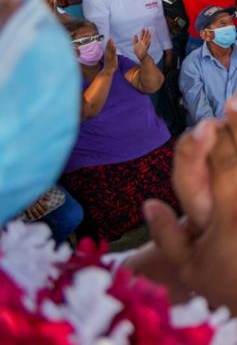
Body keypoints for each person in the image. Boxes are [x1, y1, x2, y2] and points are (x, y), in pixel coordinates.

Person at [58, 18, 175, 241]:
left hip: (153, 145)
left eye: (95, 38)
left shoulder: (116, 61)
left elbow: (151, 84)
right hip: (101, 161)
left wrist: (144, 59)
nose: (92, 44)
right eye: (84, 40)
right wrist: (107, 72)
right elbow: (87, 110)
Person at [179, 6, 237, 124]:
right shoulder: (192, 65)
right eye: (222, 24)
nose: (230, 27)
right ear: (206, 35)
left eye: (231, 22)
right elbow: (201, 112)